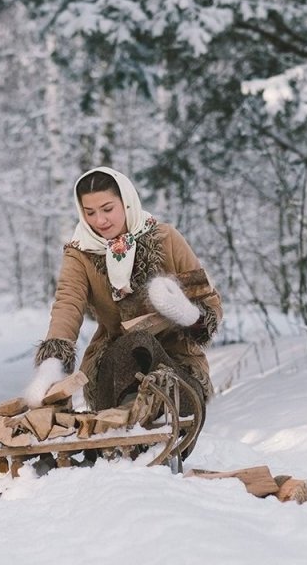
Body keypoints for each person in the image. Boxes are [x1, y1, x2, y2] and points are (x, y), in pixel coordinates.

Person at [23, 166, 222, 457]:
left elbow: (211, 305)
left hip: (177, 364)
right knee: (133, 343)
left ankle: (151, 416)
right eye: (89, 212)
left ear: (126, 203)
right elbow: (68, 303)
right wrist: (51, 365)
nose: (100, 220)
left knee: (148, 347)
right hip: (116, 369)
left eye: (107, 208)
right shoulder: (81, 253)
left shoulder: (165, 238)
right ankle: (125, 425)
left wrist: (184, 313)